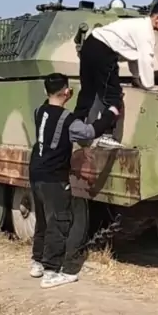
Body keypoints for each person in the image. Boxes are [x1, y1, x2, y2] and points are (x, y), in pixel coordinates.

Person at [29, 72, 119, 289]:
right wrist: (111, 113)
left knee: (43, 221)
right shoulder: (68, 120)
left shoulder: (39, 111)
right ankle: (51, 272)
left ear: (46, 91)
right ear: (67, 92)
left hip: (36, 173)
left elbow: (57, 113)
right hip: (54, 177)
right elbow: (89, 132)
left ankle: (37, 263)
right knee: (58, 222)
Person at [74, 0, 158, 147]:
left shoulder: (137, 25)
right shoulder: (146, 32)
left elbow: (134, 57)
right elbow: (146, 59)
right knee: (113, 96)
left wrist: (137, 78)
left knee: (88, 92)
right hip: (104, 50)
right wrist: (149, 85)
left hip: (90, 44)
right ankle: (105, 134)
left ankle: (76, 128)